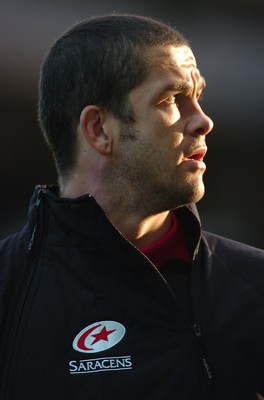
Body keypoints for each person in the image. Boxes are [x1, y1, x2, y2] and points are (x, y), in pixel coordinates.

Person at [0, 14, 263, 400]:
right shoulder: (9, 291)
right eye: (172, 99)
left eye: (198, 98)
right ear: (99, 129)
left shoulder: (254, 284)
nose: (203, 121)